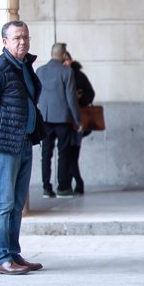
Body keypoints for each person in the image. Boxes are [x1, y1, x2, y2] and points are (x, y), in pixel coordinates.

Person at [0, 21, 45, 274]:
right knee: (4, 201)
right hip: (4, 144)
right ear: (5, 42)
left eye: (26, 38)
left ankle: (13, 254)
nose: (22, 42)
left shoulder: (25, 67)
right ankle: (1, 258)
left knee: (17, 203)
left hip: (24, 141)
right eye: (17, 38)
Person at [37, 42, 82, 198]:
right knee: (64, 153)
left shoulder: (40, 71)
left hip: (45, 119)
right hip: (63, 119)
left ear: (51, 54)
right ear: (64, 55)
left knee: (46, 154)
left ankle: (46, 188)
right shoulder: (66, 71)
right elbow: (71, 98)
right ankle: (63, 187)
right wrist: (77, 119)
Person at [63, 51, 96, 195]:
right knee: (68, 154)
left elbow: (90, 94)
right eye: (63, 60)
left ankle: (77, 183)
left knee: (73, 153)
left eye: (67, 59)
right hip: (64, 120)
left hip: (77, 120)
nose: (66, 63)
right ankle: (74, 183)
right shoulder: (60, 75)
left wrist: (79, 98)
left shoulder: (79, 75)